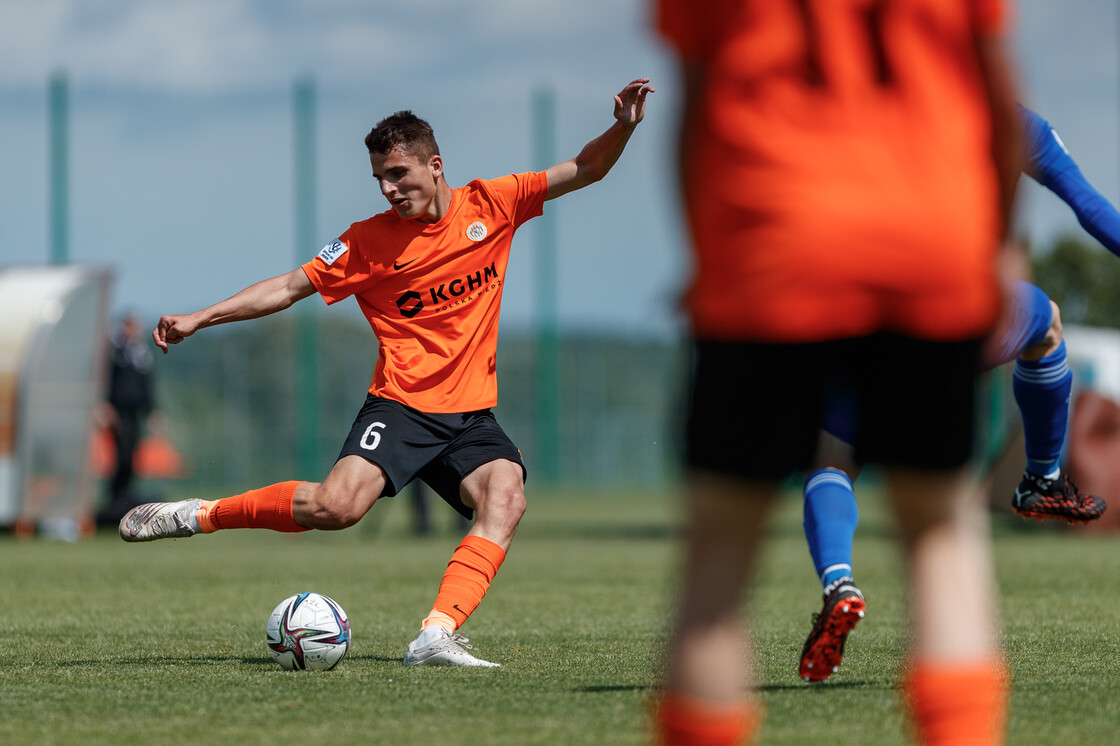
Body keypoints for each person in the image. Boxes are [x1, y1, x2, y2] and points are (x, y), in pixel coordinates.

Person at [118, 78, 654, 667]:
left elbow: (584, 169)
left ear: (436, 164)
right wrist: (202, 316)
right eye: (379, 177)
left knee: (506, 498)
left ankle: (436, 635)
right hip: (401, 405)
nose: (388, 187)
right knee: (336, 509)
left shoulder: (494, 203)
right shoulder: (366, 243)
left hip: (471, 414)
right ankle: (198, 514)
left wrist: (624, 126)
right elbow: (289, 287)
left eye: (398, 173)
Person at [654, 1, 1022, 744]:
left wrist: (715, 264)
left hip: (773, 245)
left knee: (719, 562)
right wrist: (987, 251)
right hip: (929, 238)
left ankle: (833, 580)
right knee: (942, 535)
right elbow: (996, 102)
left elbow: (695, 108)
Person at [798, 105, 1113, 685]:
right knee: (1045, 325)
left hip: (863, 309)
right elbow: (1089, 207)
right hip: (963, 312)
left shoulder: (867, 109)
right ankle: (1041, 478)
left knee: (835, 456)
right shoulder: (1013, 119)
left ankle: (838, 579)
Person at [96, 312, 159, 525]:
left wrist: (151, 410)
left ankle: (125, 500)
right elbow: (105, 380)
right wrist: (104, 406)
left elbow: (146, 384)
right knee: (121, 458)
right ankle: (115, 502)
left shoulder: (140, 353)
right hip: (118, 413)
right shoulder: (115, 351)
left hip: (134, 414)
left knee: (131, 458)